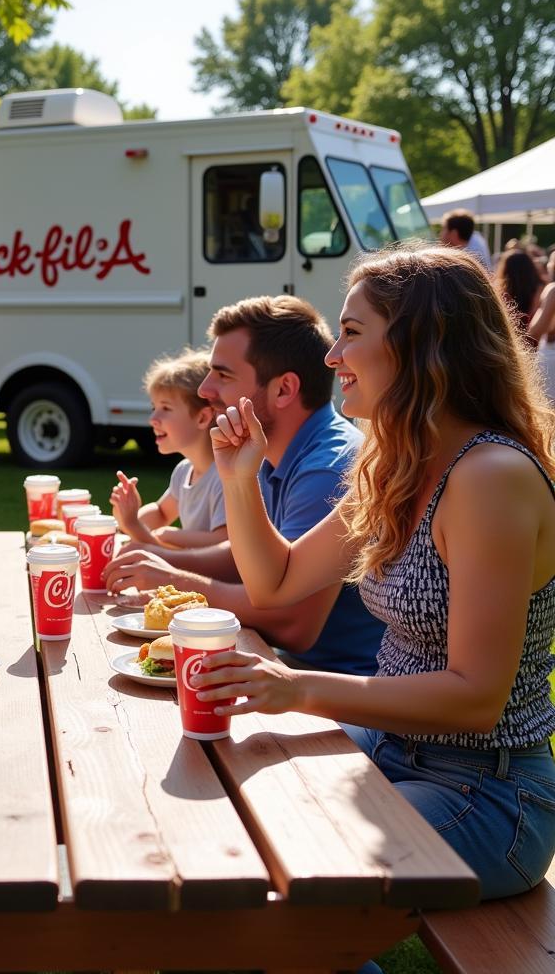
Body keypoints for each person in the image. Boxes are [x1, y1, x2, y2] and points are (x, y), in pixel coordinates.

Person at [197, 246, 555, 900]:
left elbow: (476, 696)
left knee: (293, 879)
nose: (332, 357)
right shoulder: (398, 466)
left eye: (352, 334)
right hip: (392, 748)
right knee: (226, 815)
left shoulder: (489, 478)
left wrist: (298, 689)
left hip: (485, 788)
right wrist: (239, 477)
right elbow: (275, 580)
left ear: (423, 345)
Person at [104, 296, 385, 677]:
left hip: (337, 694)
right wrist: (151, 555)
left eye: (222, 375)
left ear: (284, 390)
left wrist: (174, 580)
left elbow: (293, 624)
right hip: (287, 670)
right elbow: (241, 555)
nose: (204, 389)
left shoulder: (328, 467)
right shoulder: (275, 452)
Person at [111, 347, 228, 549]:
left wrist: (157, 532)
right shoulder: (185, 470)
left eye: (166, 408)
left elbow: (224, 542)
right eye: (153, 408)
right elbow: (161, 512)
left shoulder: (224, 477)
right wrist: (124, 519)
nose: (153, 419)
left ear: (203, 417)